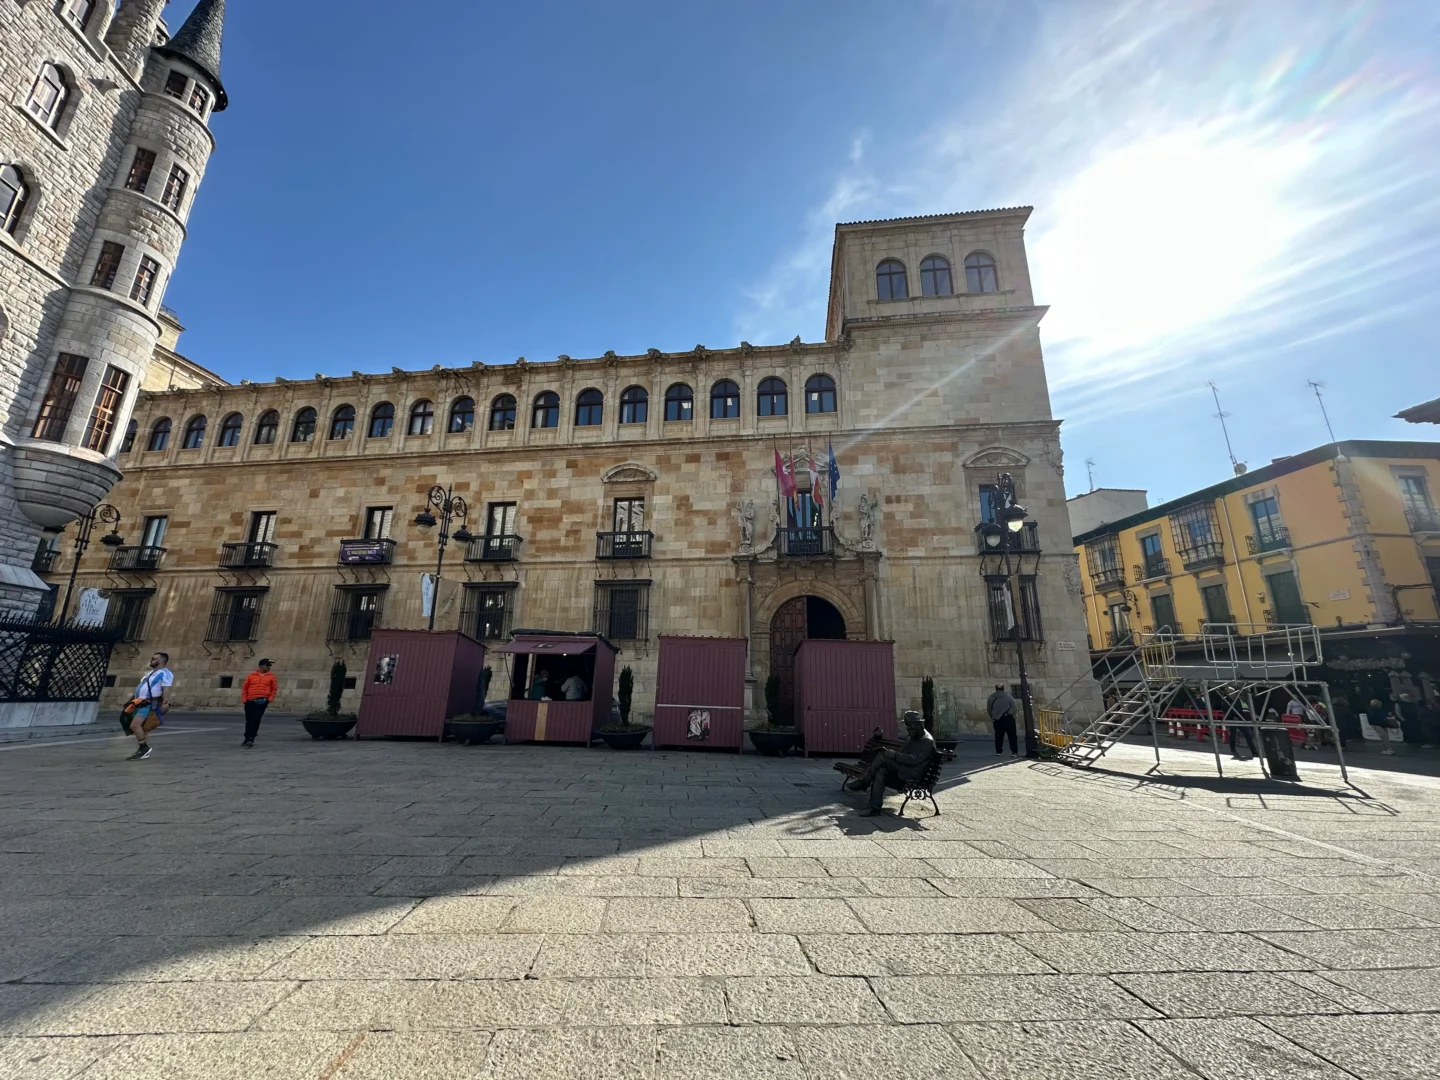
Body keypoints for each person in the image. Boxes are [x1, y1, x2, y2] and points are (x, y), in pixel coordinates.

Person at [845, 711, 936, 816]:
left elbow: (913, 759)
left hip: (912, 775)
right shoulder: (912, 736)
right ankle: (874, 808)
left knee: (883, 756)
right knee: (881, 772)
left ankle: (863, 782)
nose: (908, 728)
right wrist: (890, 753)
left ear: (919, 724)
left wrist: (892, 754)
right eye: (907, 726)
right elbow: (902, 754)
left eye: (910, 725)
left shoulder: (926, 741)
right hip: (903, 770)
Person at [124, 652, 173, 760]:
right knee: (143, 728)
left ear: (161, 660)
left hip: (149, 704)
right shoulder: (149, 673)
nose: (151, 660)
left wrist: (166, 702)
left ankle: (143, 748)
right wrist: (131, 700)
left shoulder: (165, 673)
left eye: (154, 658)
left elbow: (166, 688)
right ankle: (142, 752)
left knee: (135, 725)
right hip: (139, 703)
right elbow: (141, 687)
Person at [240, 658, 278, 748]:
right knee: (249, 720)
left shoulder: (271, 676)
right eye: (267, 665)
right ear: (261, 666)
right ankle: (247, 737)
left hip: (262, 701)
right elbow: (245, 688)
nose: (269, 667)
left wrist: (269, 699)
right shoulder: (251, 675)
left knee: (256, 719)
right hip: (250, 700)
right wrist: (244, 700)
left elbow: (274, 689)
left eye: (270, 666)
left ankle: (251, 738)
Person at [987, 683, 1018, 758]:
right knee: (1012, 736)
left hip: (997, 720)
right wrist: (1008, 713)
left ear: (996, 689)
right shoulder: (1009, 697)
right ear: (1003, 688)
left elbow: (989, 709)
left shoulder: (991, 697)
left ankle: (998, 751)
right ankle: (1014, 752)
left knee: (998, 736)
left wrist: (993, 716)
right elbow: (1014, 707)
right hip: (1008, 718)